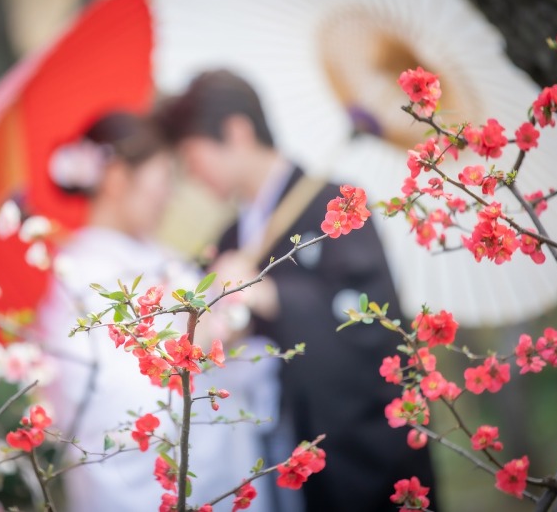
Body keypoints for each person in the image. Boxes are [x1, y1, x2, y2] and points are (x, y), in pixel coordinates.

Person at [157, 70, 437, 511]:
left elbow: (368, 326)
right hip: (275, 454)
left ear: (236, 132)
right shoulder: (232, 239)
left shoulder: (337, 207)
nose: (193, 175)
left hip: (354, 455)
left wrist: (271, 297)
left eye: (193, 158)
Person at [34, 111, 274, 511]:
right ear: (115, 180)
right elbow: (120, 410)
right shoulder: (77, 283)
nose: (169, 195)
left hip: (224, 471)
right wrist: (206, 341)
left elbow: (212, 338)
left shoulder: (165, 259)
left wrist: (227, 305)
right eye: (163, 178)